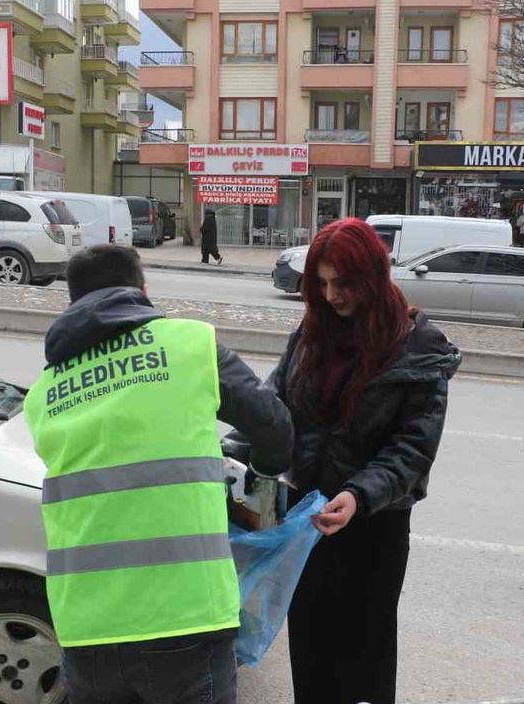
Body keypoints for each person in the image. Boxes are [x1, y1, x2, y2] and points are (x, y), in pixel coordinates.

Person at [23, 245, 293, 704]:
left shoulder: (43, 395)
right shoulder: (189, 345)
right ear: (143, 291)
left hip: (86, 630)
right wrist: (260, 494)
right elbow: (275, 428)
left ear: (72, 304)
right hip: (184, 617)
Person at [227, 218, 460, 704]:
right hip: (306, 520)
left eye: (343, 283)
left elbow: (413, 449)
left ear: (372, 276)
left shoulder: (418, 348)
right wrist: (224, 456)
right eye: (322, 284)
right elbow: (272, 411)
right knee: (311, 650)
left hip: (373, 527)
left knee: (365, 657)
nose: (332, 296)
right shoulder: (311, 335)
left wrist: (358, 494)